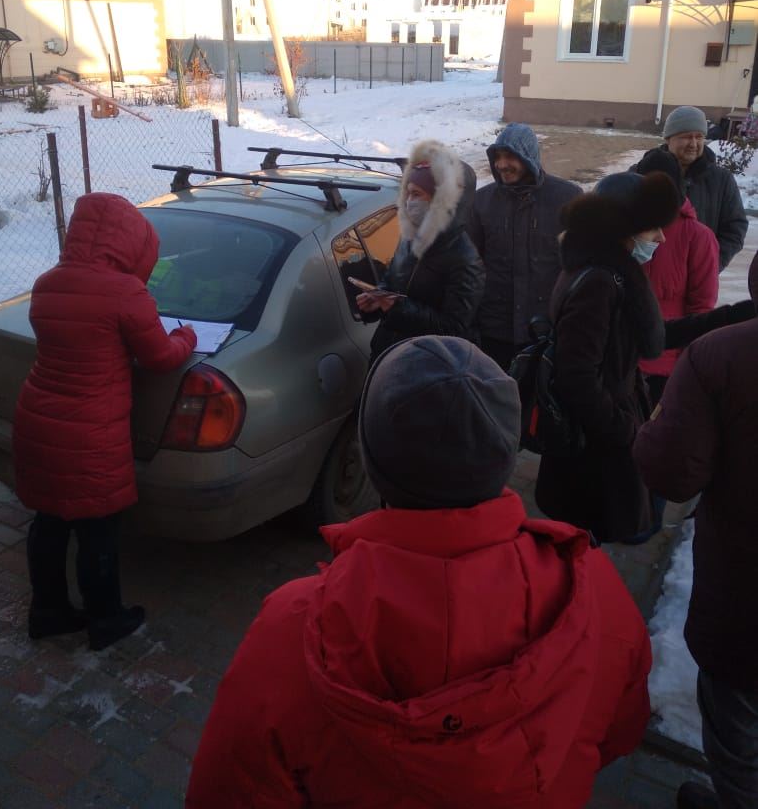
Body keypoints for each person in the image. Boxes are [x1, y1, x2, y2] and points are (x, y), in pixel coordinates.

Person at [186, 335, 652, 809]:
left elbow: (226, 791)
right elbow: (620, 731)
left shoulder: (297, 628)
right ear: (506, 453)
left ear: (374, 462)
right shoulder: (590, 584)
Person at [13, 193, 196, 651]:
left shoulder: (47, 282)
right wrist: (186, 335)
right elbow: (159, 357)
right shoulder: (124, 292)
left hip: (39, 417)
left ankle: (48, 612)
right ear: (129, 242)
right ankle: (106, 619)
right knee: (97, 530)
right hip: (90, 430)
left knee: (49, 523)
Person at [634, 253, 758, 809]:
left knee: (738, 737)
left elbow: (673, 474)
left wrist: (646, 431)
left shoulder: (725, 354)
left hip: (745, 603)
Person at [535, 170, 680, 544]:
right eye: (652, 230)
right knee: (587, 538)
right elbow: (577, 376)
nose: (661, 238)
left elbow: (639, 338)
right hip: (595, 448)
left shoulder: (604, 269)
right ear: (625, 230)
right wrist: (625, 431)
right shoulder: (601, 280)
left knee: (590, 534)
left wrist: (736, 316)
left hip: (602, 434)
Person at [356, 138, 484, 361]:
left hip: (427, 367)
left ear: (440, 201)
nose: (408, 203)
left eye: (416, 195)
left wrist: (397, 307)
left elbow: (454, 329)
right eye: (407, 193)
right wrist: (376, 301)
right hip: (388, 355)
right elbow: (391, 282)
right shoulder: (410, 238)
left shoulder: (465, 259)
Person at [468, 122, 581, 371]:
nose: (501, 164)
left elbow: (579, 268)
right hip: (494, 331)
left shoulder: (567, 199)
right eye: (497, 157)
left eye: (510, 156)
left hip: (545, 331)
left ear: (529, 157)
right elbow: (471, 267)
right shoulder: (481, 202)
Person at [634, 149, 719, 408]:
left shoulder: (698, 237)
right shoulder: (626, 226)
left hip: (667, 368)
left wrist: (687, 366)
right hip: (622, 362)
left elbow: (702, 309)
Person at [636, 105, 746, 271]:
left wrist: (710, 264)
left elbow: (735, 228)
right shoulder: (643, 173)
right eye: (686, 137)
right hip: (650, 276)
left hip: (699, 278)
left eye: (699, 137)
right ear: (668, 139)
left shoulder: (721, 179)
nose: (693, 144)